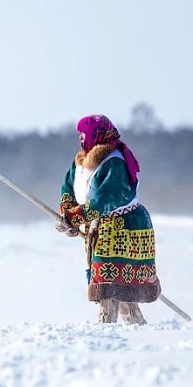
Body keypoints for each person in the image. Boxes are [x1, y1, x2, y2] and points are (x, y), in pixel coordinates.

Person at [56, 114, 161, 324]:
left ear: (98, 134)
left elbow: (106, 200)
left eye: (84, 134)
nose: (81, 138)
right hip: (101, 228)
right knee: (115, 287)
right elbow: (68, 189)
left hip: (124, 228)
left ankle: (107, 330)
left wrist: (76, 218)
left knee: (111, 286)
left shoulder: (115, 161)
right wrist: (69, 214)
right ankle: (135, 328)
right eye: (80, 134)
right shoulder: (80, 161)